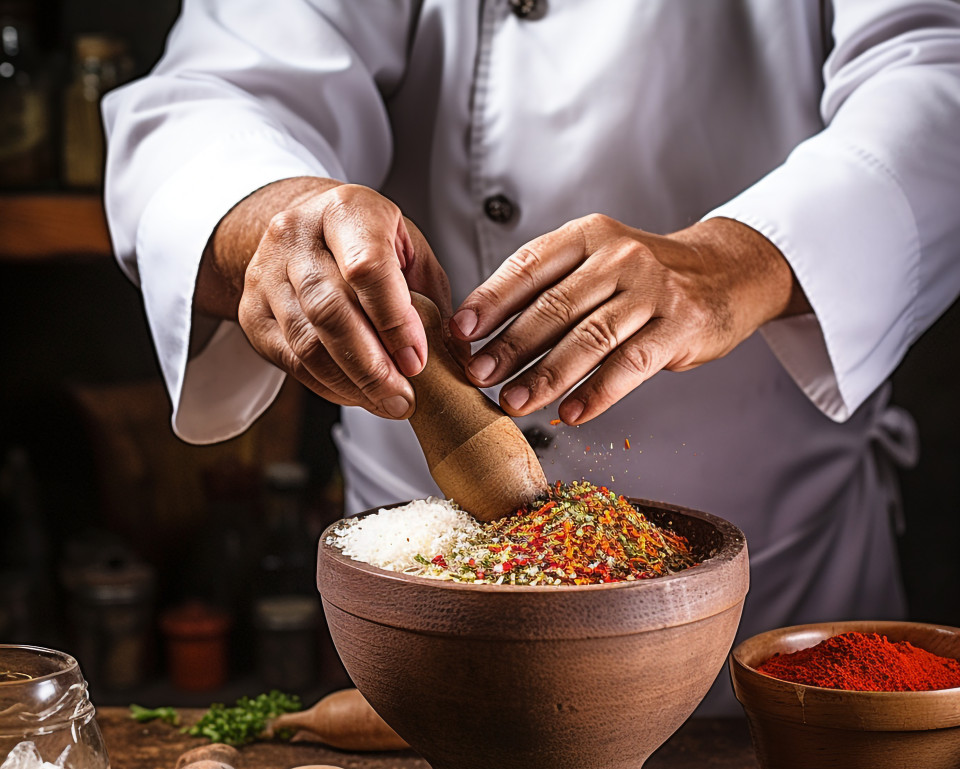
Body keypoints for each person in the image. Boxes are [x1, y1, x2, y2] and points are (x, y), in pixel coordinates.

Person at [103, 1, 960, 713]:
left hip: (783, 613)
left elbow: (937, 68)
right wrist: (274, 213)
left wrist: (747, 257)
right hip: (425, 617)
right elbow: (215, 90)